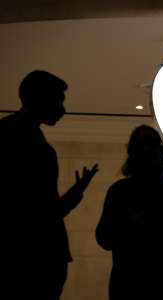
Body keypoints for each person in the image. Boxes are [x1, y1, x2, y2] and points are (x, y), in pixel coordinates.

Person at [0, 70, 99, 299]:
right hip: (32, 258)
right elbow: (41, 212)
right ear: (40, 97)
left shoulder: (24, 138)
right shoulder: (22, 140)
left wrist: (75, 193)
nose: (63, 108)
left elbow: (44, 210)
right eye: (59, 99)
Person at [96, 125, 163, 300]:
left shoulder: (120, 191)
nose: (146, 150)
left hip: (143, 284)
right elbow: (104, 238)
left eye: (150, 145)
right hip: (158, 284)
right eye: (141, 145)